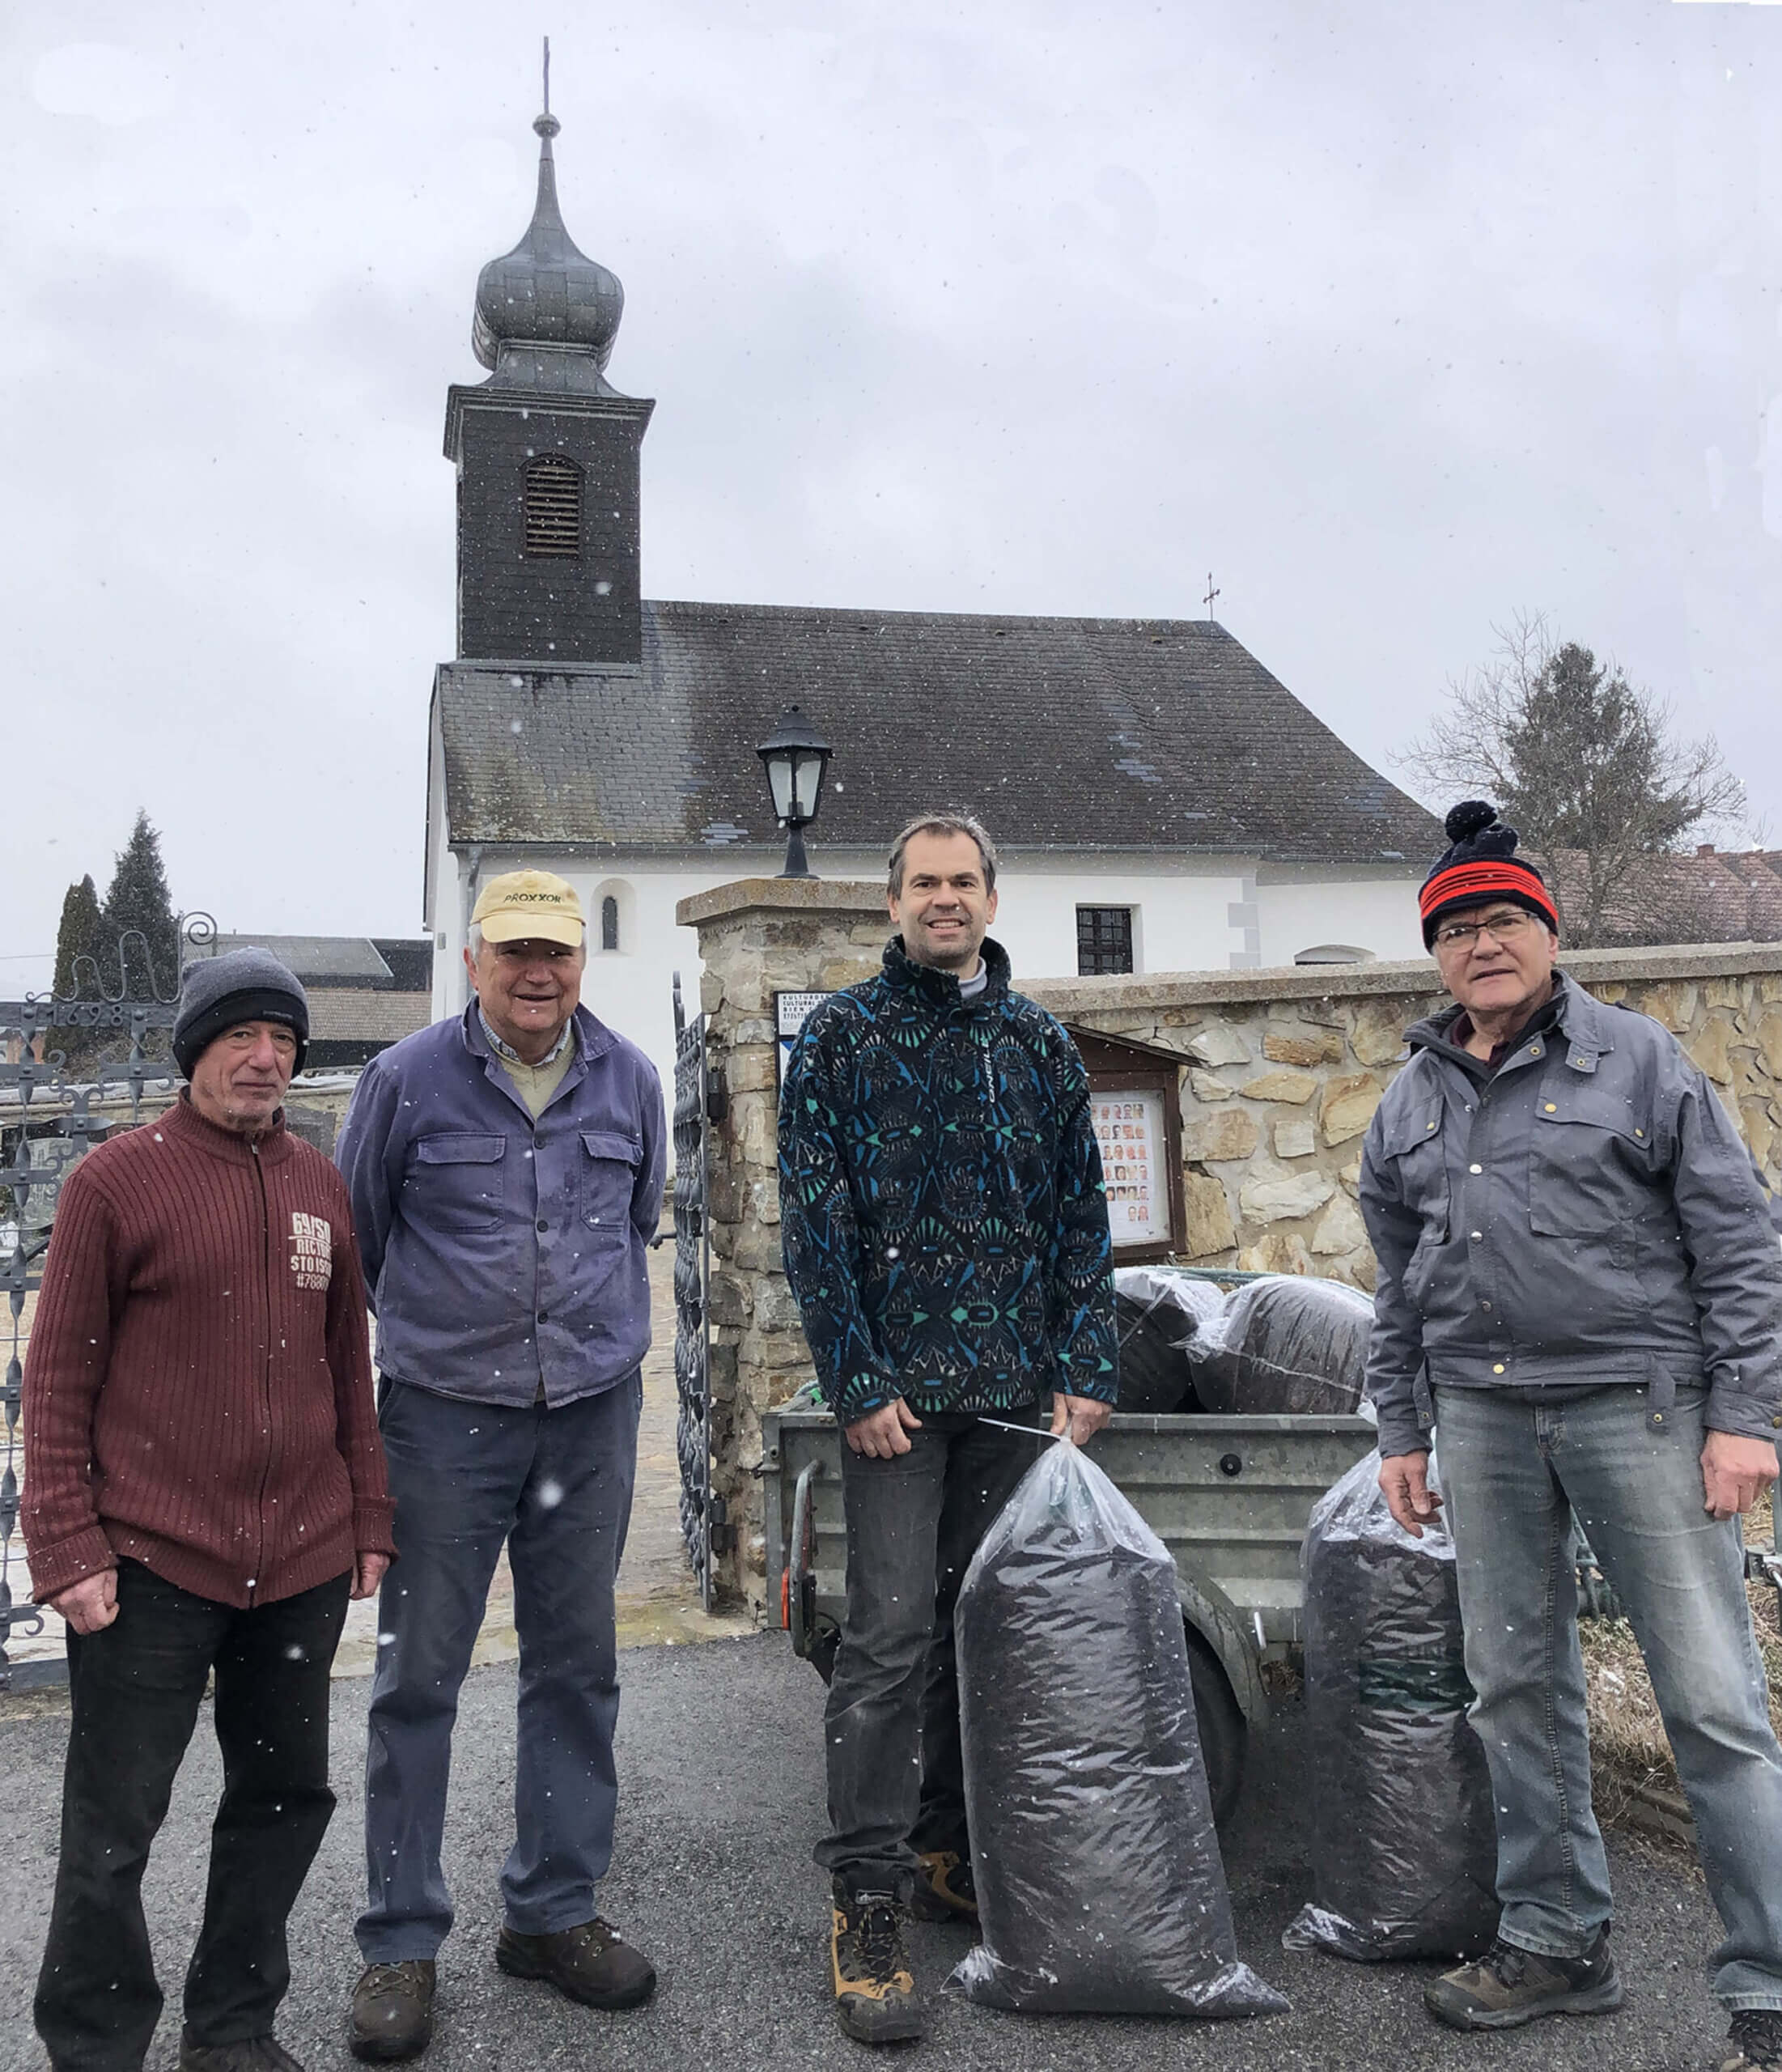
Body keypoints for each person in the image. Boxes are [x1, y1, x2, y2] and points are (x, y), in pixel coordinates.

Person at [1360, 802, 1782, 2070]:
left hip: (1635, 1407)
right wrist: (1400, 1430)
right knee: (1513, 1691)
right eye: (1456, 929)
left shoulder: (1639, 1062)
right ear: (1435, 954)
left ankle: (1767, 1984)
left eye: (1503, 920)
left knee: (1709, 1701)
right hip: (1479, 1416)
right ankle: (1556, 1941)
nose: (1481, 944)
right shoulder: (1408, 1098)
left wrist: (1742, 1419)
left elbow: (1739, 1244)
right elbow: (1398, 1285)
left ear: (1547, 934)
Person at [779, 810, 1118, 2044]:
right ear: (892, 902)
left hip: (1014, 1401)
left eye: (962, 881)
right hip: (896, 1409)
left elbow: (1080, 1212)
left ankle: (943, 1851)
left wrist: (1086, 1362)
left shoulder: (1036, 1043)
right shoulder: (840, 1038)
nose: (943, 899)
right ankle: (865, 1904)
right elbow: (813, 1222)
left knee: (988, 1635)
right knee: (885, 1642)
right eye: (923, 882)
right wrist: (857, 1381)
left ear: (990, 897)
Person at [24, 947, 396, 2072]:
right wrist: (66, 1544)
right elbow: (59, 1378)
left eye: (282, 1039)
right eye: (241, 1036)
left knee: (282, 1800)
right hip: (151, 1561)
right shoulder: (113, 1183)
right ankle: (97, 2047)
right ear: (196, 1051)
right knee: (114, 1827)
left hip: (300, 1561)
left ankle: (232, 2029)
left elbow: (347, 1365)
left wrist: (369, 1515)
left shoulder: (318, 1182)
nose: (265, 1058)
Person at [335, 869, 665, 2061]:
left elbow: (638, 1223)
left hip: (589, 1413)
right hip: (445, 1425)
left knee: (576, 1668)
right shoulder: (403, 1080)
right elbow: (360, 1242)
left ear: (581, 962)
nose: (538, 973)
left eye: (556, 952)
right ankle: (399, 1941)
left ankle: (552, 1912)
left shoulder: (630, 1078)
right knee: (418, 1679)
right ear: (473, 961)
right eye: (515, 951)